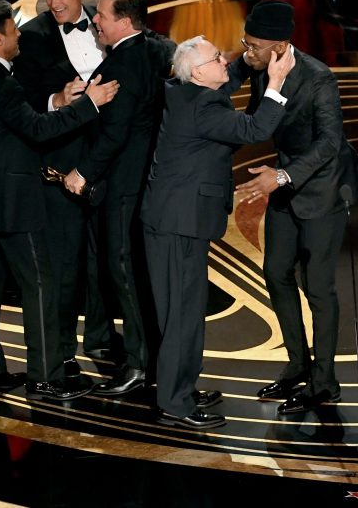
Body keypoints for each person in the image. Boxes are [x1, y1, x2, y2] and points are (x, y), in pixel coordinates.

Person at [0, 0, 118, 401]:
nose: (19, 37)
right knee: (40, 285)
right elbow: (38, 130)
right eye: (13, 31)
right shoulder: (5, 84)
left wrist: (57, 101)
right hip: (14, 203)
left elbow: (10, 125)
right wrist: (88, 104)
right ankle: (44, 377)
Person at [140, 36, 295, 429]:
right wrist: (276, 81)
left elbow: (224, 82)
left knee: (187, 311)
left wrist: (247, 59)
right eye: (217, 58)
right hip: (178, 222)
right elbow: (254, 129)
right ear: (197, 72)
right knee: (181, 315)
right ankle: (175, 402)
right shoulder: (203, 106)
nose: (224, 60)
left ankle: (182, 387)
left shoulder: (183, 90)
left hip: (177, 218)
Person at [234, 0, 358, 415]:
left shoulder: (318, 78)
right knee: (276, 272)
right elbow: (252, 115)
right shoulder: (261, 66)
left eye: (254, 45)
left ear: (279, 47)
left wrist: (282, 176)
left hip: (323, 188)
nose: (246, 52)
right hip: (287, 180)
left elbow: (329, 143)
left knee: (318, 286)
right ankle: (297, 365)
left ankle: (324, 382)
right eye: (245, 42)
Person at [12, 0, 116, 376]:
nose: (54, 3)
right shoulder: (32, 38)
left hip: (107, 161)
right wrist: (57, 100)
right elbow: (21, 102)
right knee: (64, 263)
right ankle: (62, 350)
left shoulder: (106, 26)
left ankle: (102, 338)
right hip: (60, 167)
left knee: (104, 256)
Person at [64, 0, 162, 396]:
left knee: (124, 272)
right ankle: (147, 358)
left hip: (122, 186)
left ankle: (140, 364)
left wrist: (82, 172)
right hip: (139, 182)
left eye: (101, 15)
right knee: (131, 271)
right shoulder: (150, 51)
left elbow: (115, 134)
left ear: (123, 21)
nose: (95, 22)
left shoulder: (123, 65)